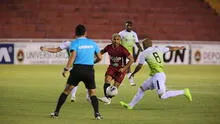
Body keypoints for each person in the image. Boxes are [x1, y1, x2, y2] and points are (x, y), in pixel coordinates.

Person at [120, 38, 192, 110]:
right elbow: (171, 48)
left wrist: (133, 73)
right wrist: (179, 48)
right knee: (142, 89)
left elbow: (139, 66)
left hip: (158, 76)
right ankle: (130, 105)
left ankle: (184, 91)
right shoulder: (158, 48)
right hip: (154, 76)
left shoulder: (144, 53)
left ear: (144, 46)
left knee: (162, 96)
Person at [50, 24, 103, 120]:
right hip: (89, 70)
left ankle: (56, 112)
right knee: (92, 93)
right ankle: (97, 114)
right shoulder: (92, 43)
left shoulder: (74, 43)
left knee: (66, 91)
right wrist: (93, 62)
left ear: (75, 33)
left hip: (77, 70)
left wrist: (66, 69)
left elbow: (72, 57)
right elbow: (100, 57)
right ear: (85, 33)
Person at [97, 33, 134, 104]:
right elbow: (102, 52)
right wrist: (96, 55)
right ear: (111, 40)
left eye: (117, 39)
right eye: (114, 39)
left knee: (115, 87)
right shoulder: (108, 47)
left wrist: (124, 68)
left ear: (120, 40)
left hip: (121, 70)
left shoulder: (123, 49)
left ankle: (108, 99)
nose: (116, 41)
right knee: (107, 80)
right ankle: (106, 98)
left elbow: (132, 59)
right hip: (112, 68)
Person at [119, 20, 143, 86]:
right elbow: (117, 42)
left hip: (129, 53)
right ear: (125, 26)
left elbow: (137, 43)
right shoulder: (121, 33)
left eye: (129, 26)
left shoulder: (134, 34)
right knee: (123, 67)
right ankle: (127, 81)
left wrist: (141, 49)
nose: (128, 27)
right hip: (122, 52)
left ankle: (130, 81)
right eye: (127, 26)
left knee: (128, 67)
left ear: (131, 26)